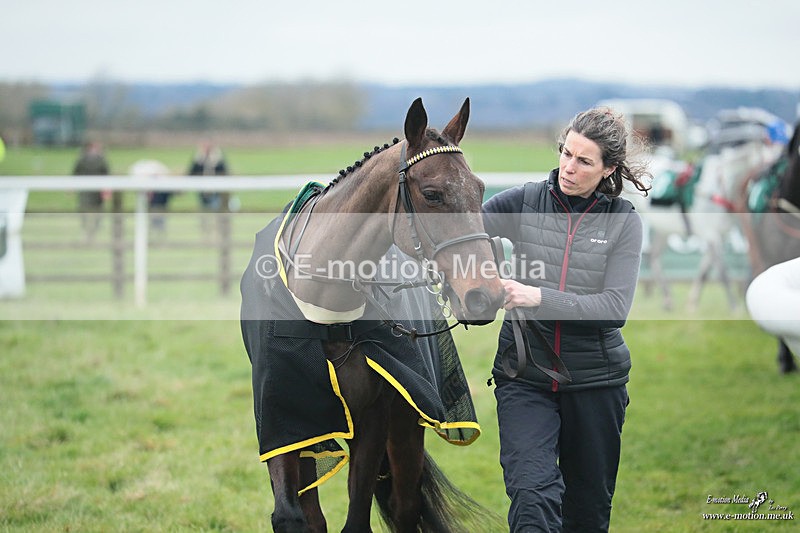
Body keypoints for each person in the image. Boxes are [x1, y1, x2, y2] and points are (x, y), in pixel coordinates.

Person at [481, 107, 651, 532]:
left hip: (596, 383)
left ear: (608, 169)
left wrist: (536, 297)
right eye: (566, 153)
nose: (568, 168)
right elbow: (458, 230)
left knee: (586, 513)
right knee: (532, 497)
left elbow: (615, 308)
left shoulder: (623, 221)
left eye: (584, 161)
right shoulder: (522, 201)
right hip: (524, 377)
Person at [72, 141, 110, 240]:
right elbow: (76, 173)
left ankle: (94, 231)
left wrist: (106, 190)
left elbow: (106, 175)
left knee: (98, 212)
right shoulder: (82, 160)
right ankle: (86, 231)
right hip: (85, 191)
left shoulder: (102, 160)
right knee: (84, 210)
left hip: (98, 191)